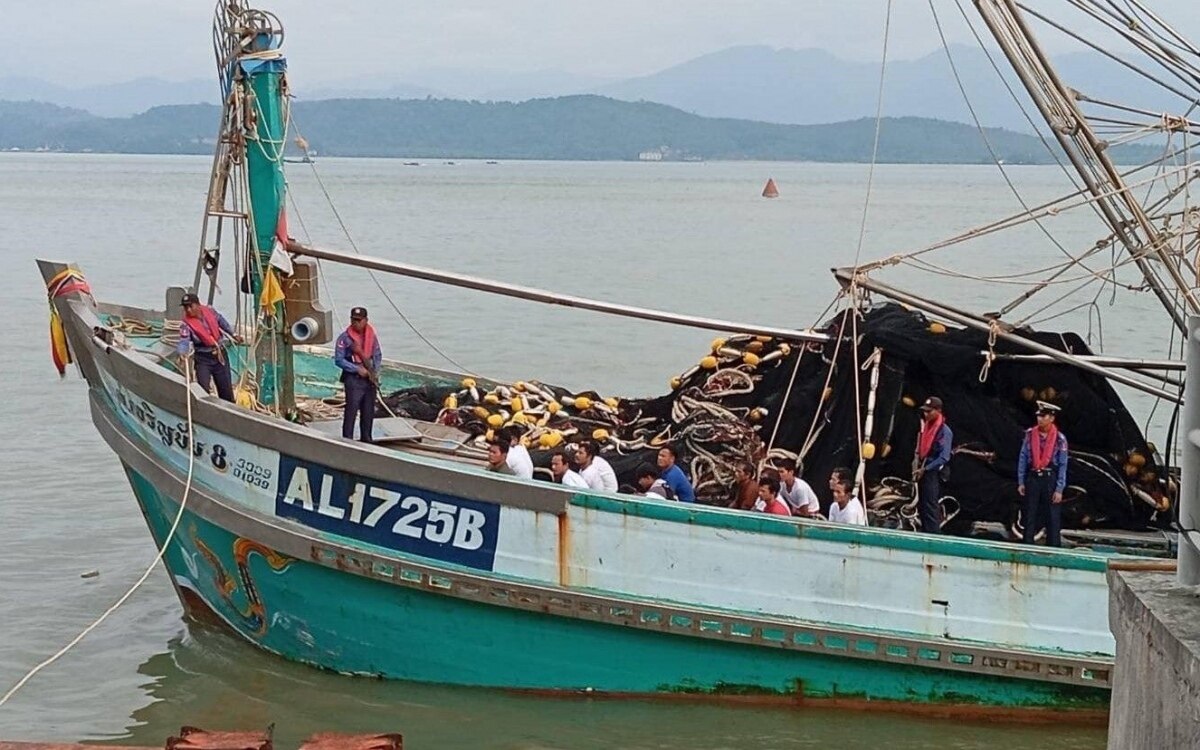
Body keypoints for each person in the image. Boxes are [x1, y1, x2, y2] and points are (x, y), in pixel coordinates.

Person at [1017, 401, 1069, 547]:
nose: (1040, 419)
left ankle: (1053, 547)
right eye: (1039, 416)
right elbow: (1023, 458)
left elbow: (1063, 464)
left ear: (1052, 418)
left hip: (1049, 477)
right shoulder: (1029, 435)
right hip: (1033, 476)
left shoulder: (1060, 439)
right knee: (1029, 514)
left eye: (1044, 416)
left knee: (1052, 516)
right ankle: (1027, 544)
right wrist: (1021, 480)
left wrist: (1059, 488)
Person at [176, 292, 243, 402]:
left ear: (197, 305)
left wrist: (234, 335)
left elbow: (222, 322)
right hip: (203, 359)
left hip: (219, 356)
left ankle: (228, 412)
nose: (188, 310)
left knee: (226, 391)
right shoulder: (186, 324)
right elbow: (184, 340)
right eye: (185, 307)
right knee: (203, 390)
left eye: (190, 306)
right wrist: (182, 352)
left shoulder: (210, 311)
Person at [334, 306, 382, 443]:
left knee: (368, 412)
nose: (356, 323)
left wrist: (375, 371)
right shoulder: (345, 338)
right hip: (354, 379)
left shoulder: (371, 336)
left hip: (369, 379)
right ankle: (347, 440)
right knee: (351, 410)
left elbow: (377, 354)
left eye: (359, 320)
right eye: (354, 320)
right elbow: (339, 359)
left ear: (366, 320)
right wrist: (356, 369)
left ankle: (367, 439)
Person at [914, 396, 953, 534]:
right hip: (923, 469)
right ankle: (925, 531)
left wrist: (926, 468)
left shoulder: (944, 431)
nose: (926, 414)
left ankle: (933, 534)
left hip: (933, 471)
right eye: (925, 411)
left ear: (938, 411)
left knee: (931, 505)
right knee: (922, 505)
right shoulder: (927, 427)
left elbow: (944, 457)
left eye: (929, 411)